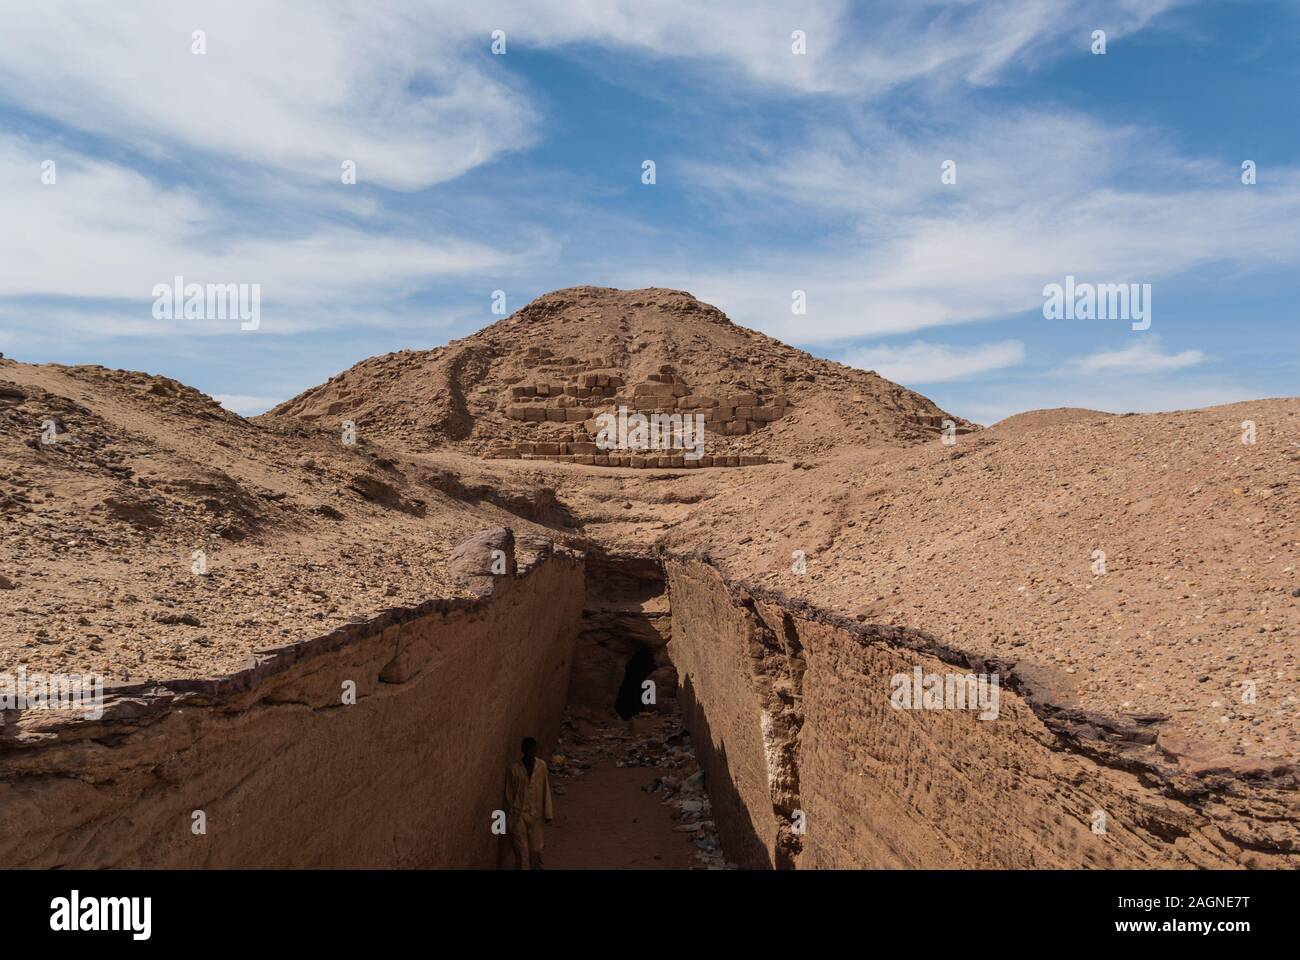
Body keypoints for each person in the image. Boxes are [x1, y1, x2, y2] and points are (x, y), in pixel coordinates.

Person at [504, 736, 553, 869]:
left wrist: (548, 812)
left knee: (536, 849)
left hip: (536, 814)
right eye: (530, 751)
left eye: (534, 750)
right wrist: (510, 818)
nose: (532, 753)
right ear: (523, 751)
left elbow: (545, 788)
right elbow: (509, 795)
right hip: (519, 815)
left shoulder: (541, 766)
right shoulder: (514, 769)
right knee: (522, 851)